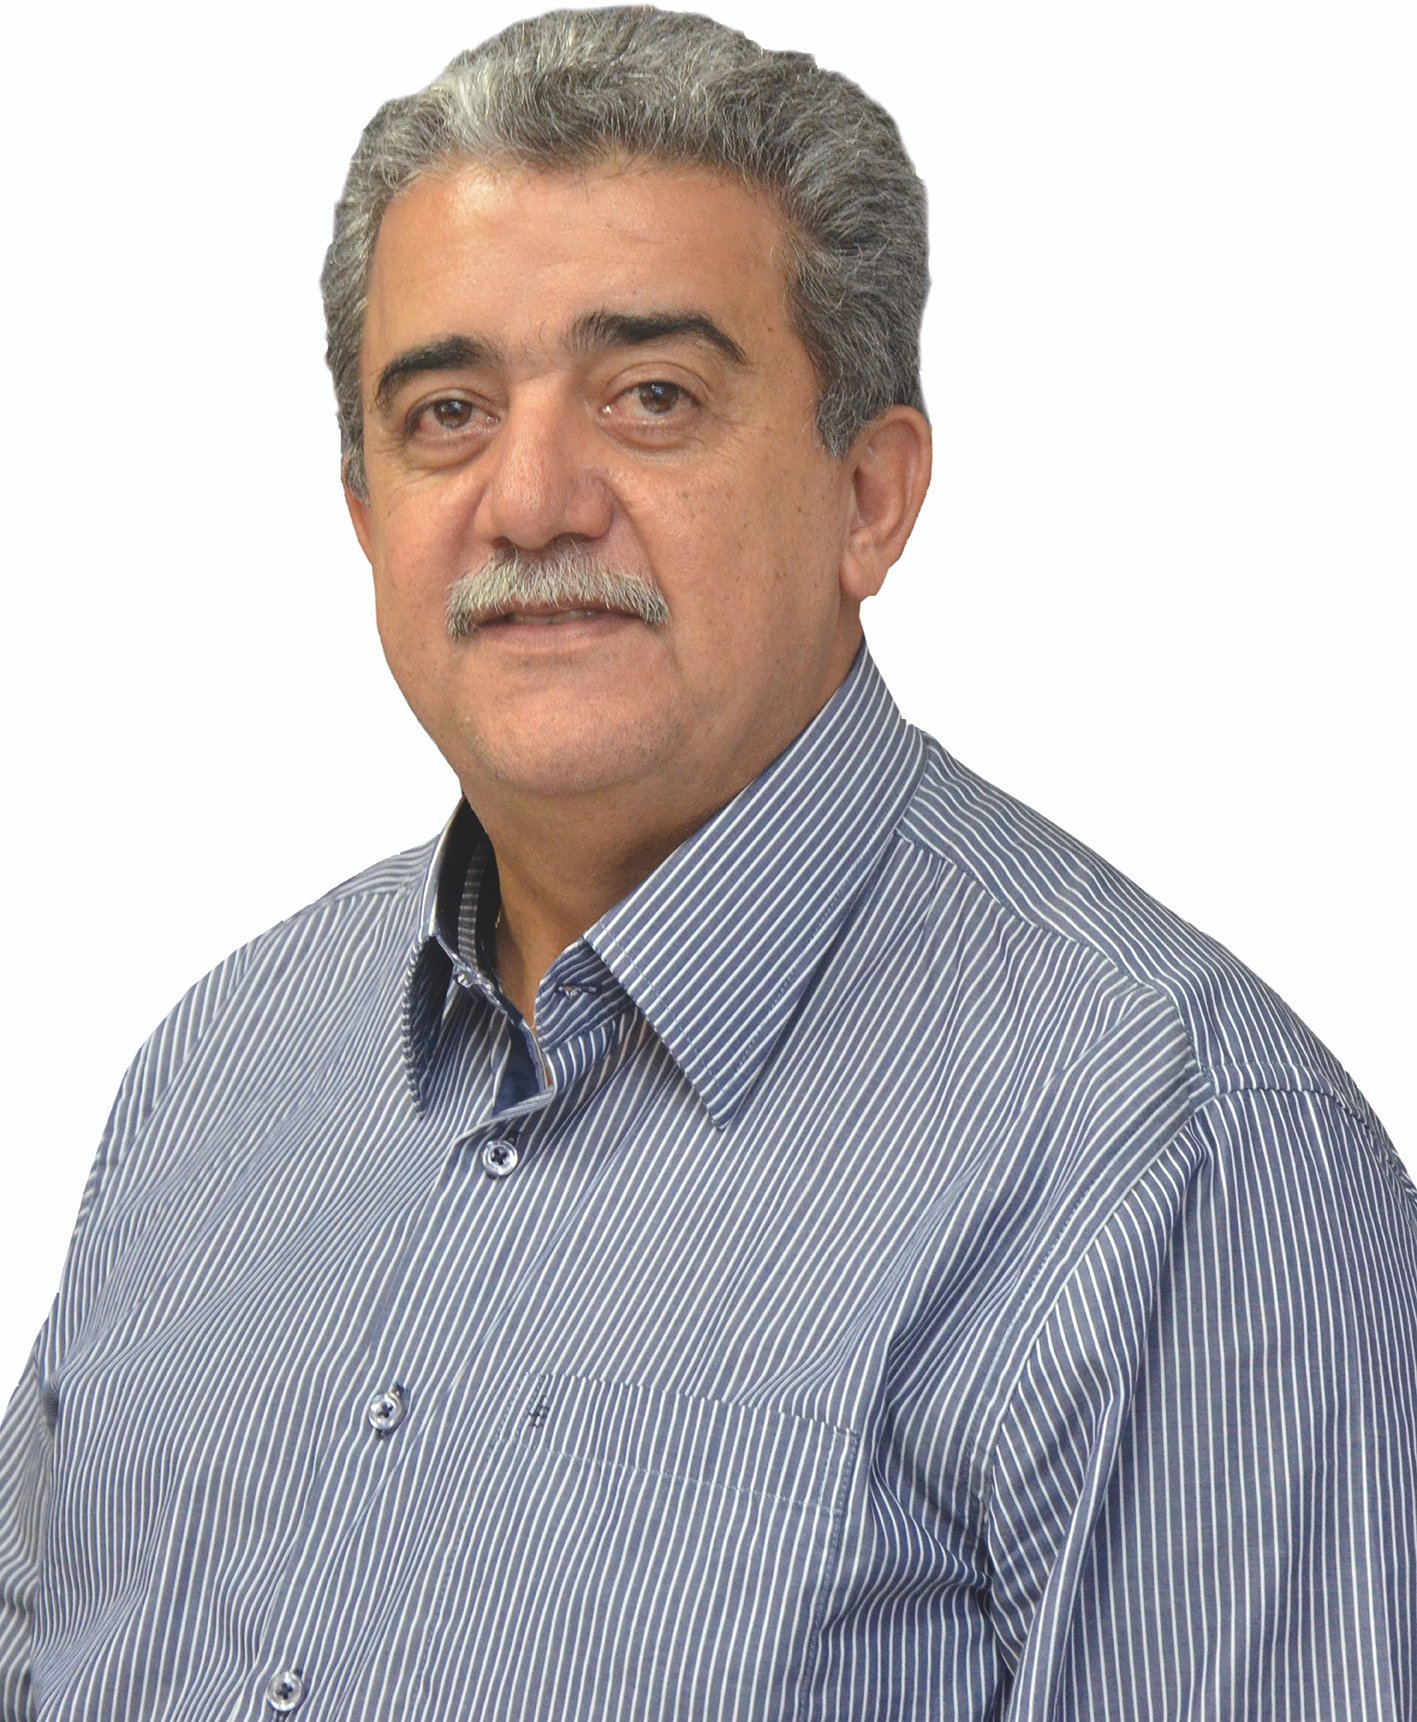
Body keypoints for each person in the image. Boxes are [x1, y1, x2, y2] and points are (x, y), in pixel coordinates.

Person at [1, 7, 1412, 1717]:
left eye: (651, 398)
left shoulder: (1179, 1156)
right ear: (365, 516)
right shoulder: (220, 1068)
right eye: (446, 411)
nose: (529, 499)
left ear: (869, 494)